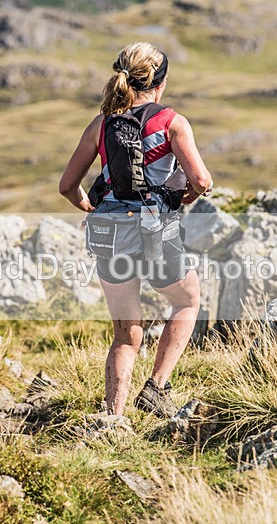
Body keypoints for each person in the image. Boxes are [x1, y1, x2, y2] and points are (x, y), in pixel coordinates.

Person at [58, 42, 213, 418]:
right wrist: (187, 196)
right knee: (187, 301)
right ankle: (156, 387)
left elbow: (67, 186)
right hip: (154, 232)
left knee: (126, 333)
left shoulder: (101, 124)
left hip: (109, 234)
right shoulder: (172, 122)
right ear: (160, 84)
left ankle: (112, 418)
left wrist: (90, 206)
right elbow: (202, 179)